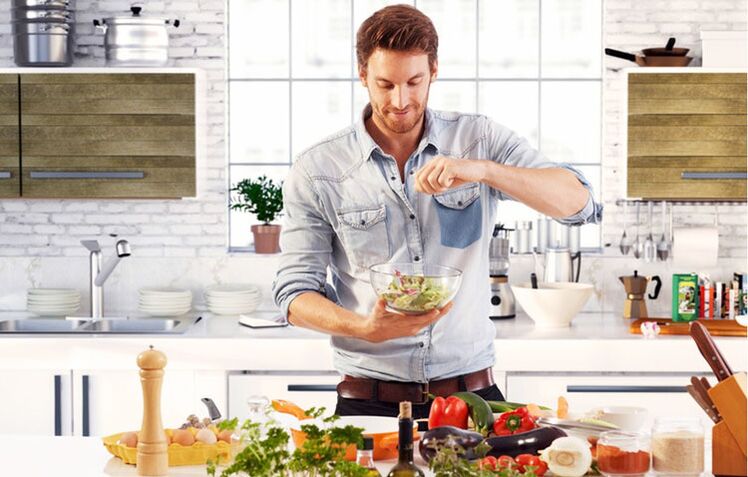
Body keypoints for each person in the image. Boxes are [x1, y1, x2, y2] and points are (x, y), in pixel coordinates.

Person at [272, 4, 602, 418]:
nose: (401, 100)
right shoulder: (318, 169)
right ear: (362, 76)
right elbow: (292, 294)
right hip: (366, 399)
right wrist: (365, 329)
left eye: (414, 82)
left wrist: (483, 171)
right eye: (385, 84)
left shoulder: (477, 139)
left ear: (434, 70)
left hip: (473, 397)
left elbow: (580, 203)